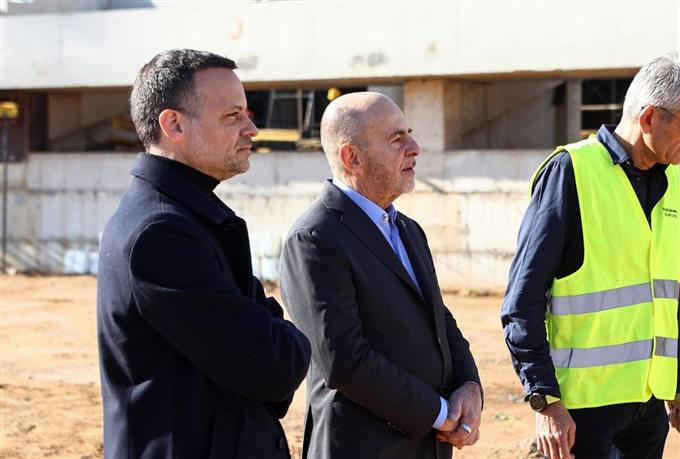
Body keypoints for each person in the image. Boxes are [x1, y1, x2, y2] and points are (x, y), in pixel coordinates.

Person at [97, 49, 311, 459]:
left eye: (248, 114)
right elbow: (272, 364)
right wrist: (284, 338)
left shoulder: (186, 216)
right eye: (233, 116)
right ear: (173, 124)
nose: (252, 129)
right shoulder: (162, 232)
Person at [279, 91, 483, 459]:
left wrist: (469, 386)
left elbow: (440, 319)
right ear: (352, 157)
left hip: (426, 444)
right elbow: (344, 360)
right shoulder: (315, 238)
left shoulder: (407, 229)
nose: (415, 148)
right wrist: (439, 413)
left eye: (409, 134)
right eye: (396, 139)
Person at [501, 51, 680, 459]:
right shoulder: (571, 171)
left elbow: (672, 293)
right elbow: (522, 300)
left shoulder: (675, 180)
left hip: (649, 404)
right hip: (581, 411)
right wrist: (545, 399)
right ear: (649, 118)